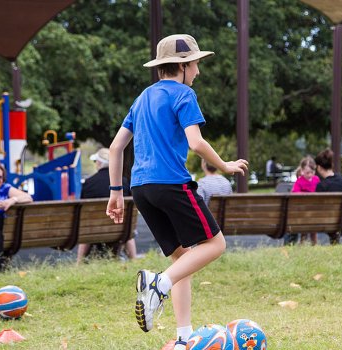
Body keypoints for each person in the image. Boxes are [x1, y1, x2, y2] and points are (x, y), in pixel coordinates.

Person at [105, 34, 248, 350]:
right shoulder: (183, 94)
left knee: (183, 257)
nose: (198, 71)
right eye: (196, 64)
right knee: (215, 244)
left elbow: (116, 147)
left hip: (141, 188)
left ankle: (184, 338)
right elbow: (196, 143)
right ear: (183, 66)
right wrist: (224, 165)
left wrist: (116, 192)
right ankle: (159, 284)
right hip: (172, 184)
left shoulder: (142, 98)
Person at [76, 148, 138, 264]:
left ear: (99, 163)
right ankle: (134, 260)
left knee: (86, 228)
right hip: (120, 228)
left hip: (93, 230)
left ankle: (78, 263)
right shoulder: (123, 182)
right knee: (128, 229)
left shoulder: (88, 184)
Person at [314, 148, 342, 245]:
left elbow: (317, 208)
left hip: (327, 221)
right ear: (332, 165)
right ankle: (335, 240)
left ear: (318, 167)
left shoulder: (321, 186)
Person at [285, 156, 320, 245]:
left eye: (312, 172)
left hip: (313, 211)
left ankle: (313, 244)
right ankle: (303, 243)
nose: (310, 175)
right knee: (304, 230)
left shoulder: (316, 179)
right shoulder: (299, 182)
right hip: (303, 211)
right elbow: (295, 194)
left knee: (312, 230)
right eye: (307, 172)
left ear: (314, 171)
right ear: (302, 171)